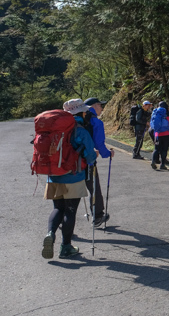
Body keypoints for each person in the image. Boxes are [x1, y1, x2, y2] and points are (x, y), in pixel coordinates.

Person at [43, 99, 97, 259]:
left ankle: (50, 233)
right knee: (70, 211)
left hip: (54, 176)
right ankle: (65, 247)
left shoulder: (54, 129)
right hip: (74, 177)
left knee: (58, 208)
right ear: (80, 112)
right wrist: (94, 154)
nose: (86, 113)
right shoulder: (80, 130)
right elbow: (91, 157)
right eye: (85, 111)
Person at [83, 97, 114, 226]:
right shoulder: (96, 122)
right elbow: (99, 144)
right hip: (88, 161)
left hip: (70, 162)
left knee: (70, 192)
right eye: (100, 105)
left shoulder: (74, 120)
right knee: (94, 188)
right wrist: (108, 154)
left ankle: (63, 221)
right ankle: (97, 216)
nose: (102, 108)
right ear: (94, 106)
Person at [150, 101, 169, 170]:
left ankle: (153, 161)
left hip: (157, 134)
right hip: (167, 134)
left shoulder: (155, 113)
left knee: (156, 149)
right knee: (164, 150)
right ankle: (162, 164)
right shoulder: (168, 114)